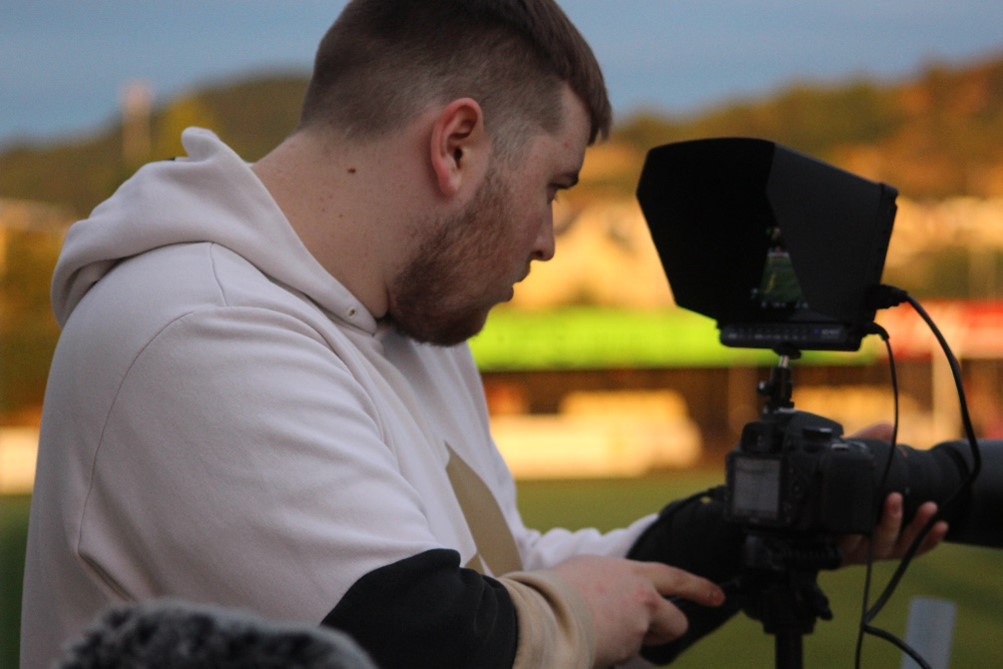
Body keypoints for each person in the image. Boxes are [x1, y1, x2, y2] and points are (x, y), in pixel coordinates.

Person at [22, 1, 946, 667]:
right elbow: (421, 636)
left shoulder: (407, 329)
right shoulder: (195, 323)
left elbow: (509, 578)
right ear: (456, 145)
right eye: (552, 187)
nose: (547, 239)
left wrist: (752, 530)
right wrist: (572, 617)